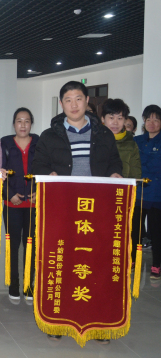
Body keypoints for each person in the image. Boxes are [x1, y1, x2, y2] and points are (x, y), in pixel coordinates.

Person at [33, 81, 122, 341]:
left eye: (79, 99)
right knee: (62, 261)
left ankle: (98, 322)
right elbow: (37, 166)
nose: (74, 105)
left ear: (87, 101)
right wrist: (47, 173)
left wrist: (115, 173)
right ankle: (58, 320)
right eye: (68, 100)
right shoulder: (49, 136)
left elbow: (114, 162)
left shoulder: (104, 134)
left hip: (97, 212)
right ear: (61, 104)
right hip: (62, 210)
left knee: (96, 263)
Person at [1, 108, 39, 305]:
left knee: (31, 245)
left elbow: (45, 170)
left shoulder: (39, 143)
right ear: (14, 124)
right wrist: (9, 195)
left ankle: (29, 285)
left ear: (31, 123)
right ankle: (14, 285)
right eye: (19, 121)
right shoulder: (5, 143)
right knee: (13, 245)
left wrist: (39, 192)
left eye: (27, 121)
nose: (23, 125)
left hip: (34, 204)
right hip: (12, 204)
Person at [101, 99, 142, 263]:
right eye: (111, 117)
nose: (115, 122)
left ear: (125, 120)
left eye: (120, 118)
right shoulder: (95, 140)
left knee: (119, 236)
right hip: (99, 198)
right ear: (103, 119)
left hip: (120, 199)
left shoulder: (131, 144)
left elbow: (136, 172)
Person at [135, 105, 161, 280]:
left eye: (156, 119)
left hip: (157, 194)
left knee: (156, 232)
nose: (152, 123)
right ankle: (131, 261)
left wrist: (146, 166)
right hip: (138, 193)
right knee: (135, 231)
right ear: (144, 121)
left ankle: (156, 265)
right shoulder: (136, 141)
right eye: (148, 119)